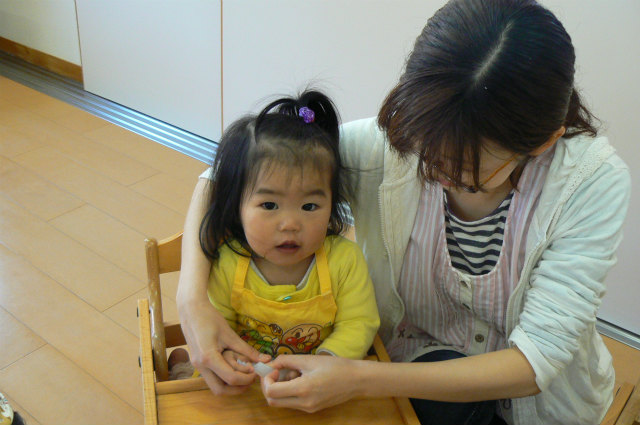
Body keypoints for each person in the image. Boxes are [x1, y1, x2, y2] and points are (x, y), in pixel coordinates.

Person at [176, 0, 631, 424]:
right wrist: (192, 300)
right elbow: (219, 178)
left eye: (466, 166)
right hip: (418, 370)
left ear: (543, 142)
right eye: (428, 145)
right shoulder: (396, 146)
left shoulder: (588, 182)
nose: (435, 166)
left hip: (538, 406)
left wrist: (357, 377)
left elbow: (537, 360)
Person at [170, 90, 380, 381]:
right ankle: (179, 368)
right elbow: (218, 325)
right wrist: (232, 357)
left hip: (318, 381)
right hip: (246, 378)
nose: (290, 224)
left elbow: (359, 323)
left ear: (333, 205)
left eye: (310, 206)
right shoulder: (229, 260)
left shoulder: (345, 260)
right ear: (237, 207)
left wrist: (324, 362)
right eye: (269, 205)